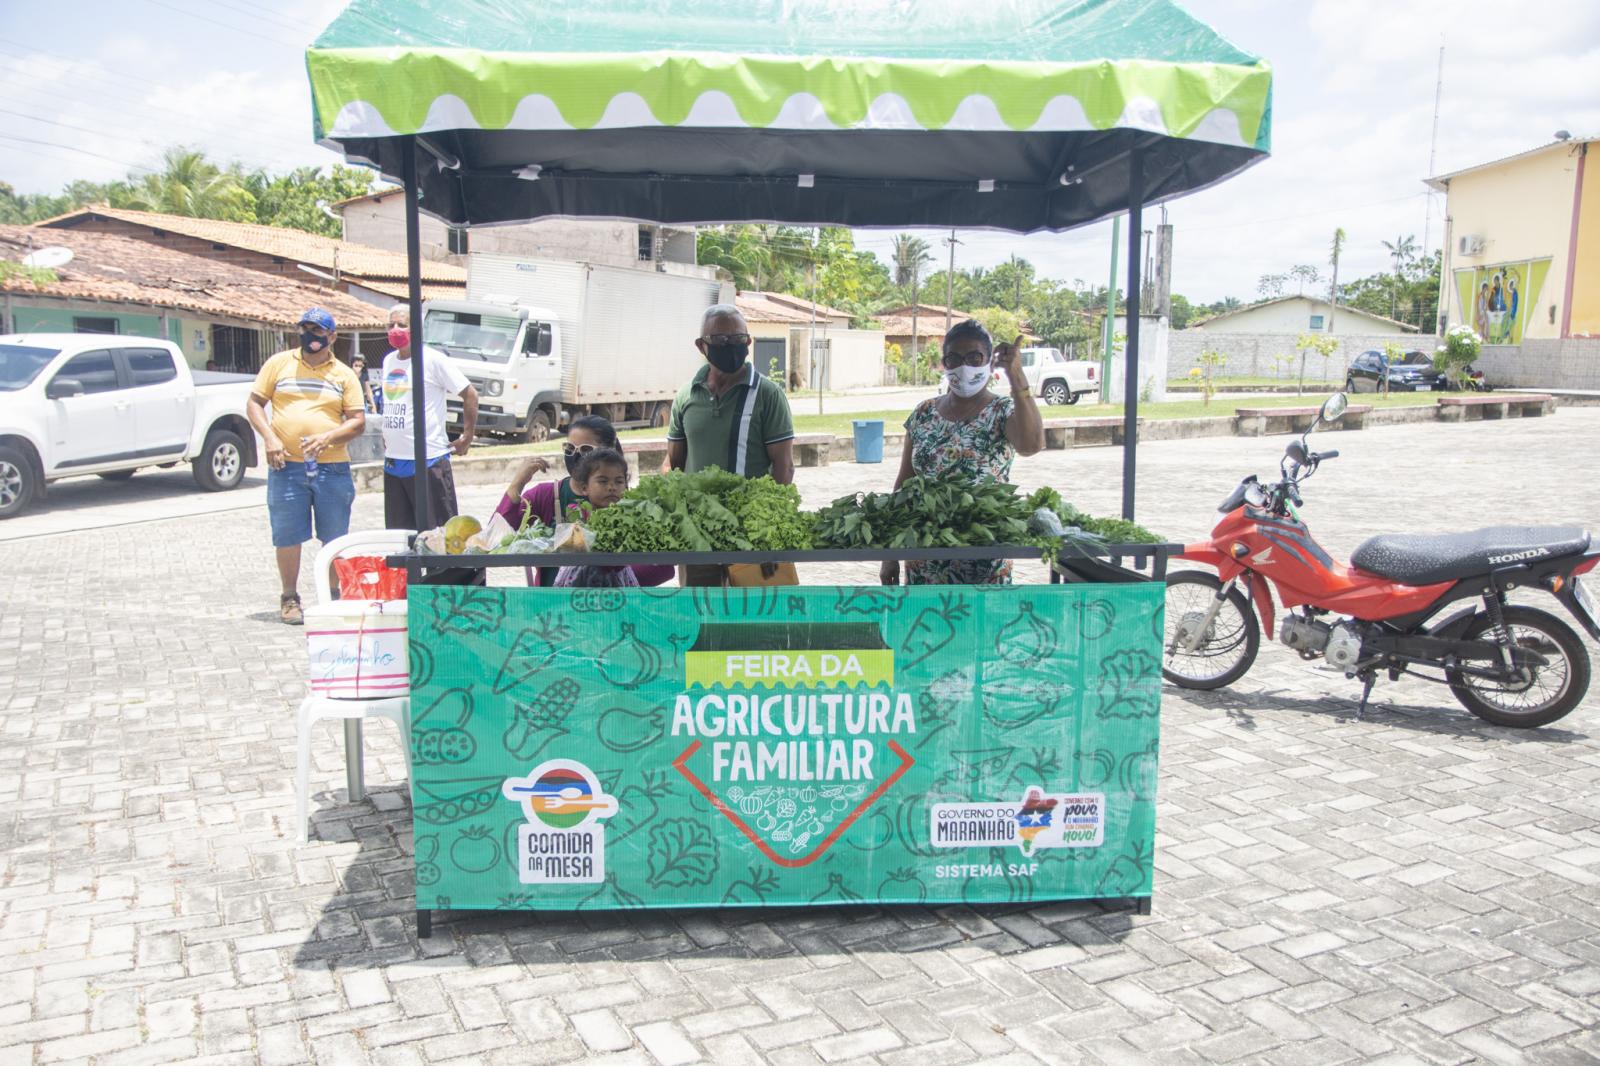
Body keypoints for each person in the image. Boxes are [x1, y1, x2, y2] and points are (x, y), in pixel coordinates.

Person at [881, 319, 1044, 587]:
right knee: (925, 627)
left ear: (991, 363)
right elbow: (903, 485)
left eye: (974, 357)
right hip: (925, 564)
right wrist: (890, 553)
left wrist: (1017, 377)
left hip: (985, 564)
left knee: (983, 629)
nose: (963, 366)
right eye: (953, 358)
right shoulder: (924, 414)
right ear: (944, 364)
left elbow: (1031, 444)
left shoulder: (1001, 411)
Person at [246, 308, 366, 624]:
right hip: (286, 466)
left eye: (318, 330)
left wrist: (328, 437)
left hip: (332, 469)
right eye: (306, 328)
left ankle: (334, 597)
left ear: (332, 336)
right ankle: (289, 597)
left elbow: (357, 422)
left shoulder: (344, 374)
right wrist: (270, 438)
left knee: (334, 537)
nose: (311, 335)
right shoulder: (279, 364)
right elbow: (255, 403)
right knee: (287, 535)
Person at [665, 304, 796, 586]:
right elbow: (673, 464)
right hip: (697, 534)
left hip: (750, 532)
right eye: (722, 341)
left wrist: (768, 532)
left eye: (739, 339)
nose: (732, 346)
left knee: (754, 622)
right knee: (701, 617)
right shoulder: (686, 396)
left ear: (748, 342)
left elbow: (784, 468)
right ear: (702, 346)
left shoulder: (767, 394)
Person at [496, 414, 673, 588]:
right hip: (554, 607)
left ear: (609, 452)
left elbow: (663, 567)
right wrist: (516, 485)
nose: (576, 455)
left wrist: (611, 570)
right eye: (570, 448)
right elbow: (494, 539)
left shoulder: (627, 502)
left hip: (613, 606)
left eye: (586, 450)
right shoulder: (546, 495)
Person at [380, 304, 478, 532]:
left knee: (439, 537)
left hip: (429, 460)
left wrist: (467, 435)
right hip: (395, 462)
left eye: (402, 325)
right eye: (391, 325)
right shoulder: (388, 361)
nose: (396, 329)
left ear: (416, 329)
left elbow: (470, 394)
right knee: (400, 537)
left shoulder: (433, 360)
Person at [550, 448, 639, 587]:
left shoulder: (630, 518)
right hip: (579, 581)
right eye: (603, 481)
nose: (612, 487)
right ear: (584, 487)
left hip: (619, 582)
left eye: (619, 481)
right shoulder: (577, 514)